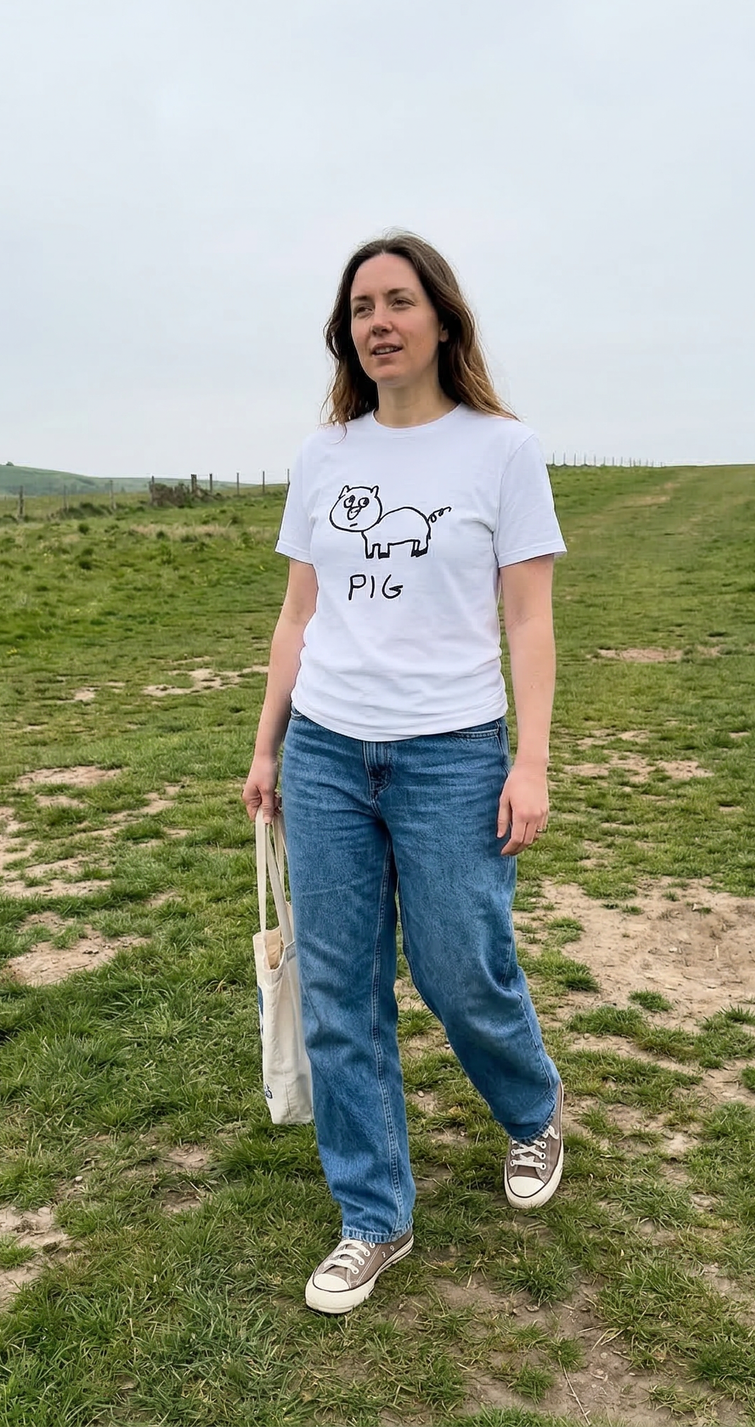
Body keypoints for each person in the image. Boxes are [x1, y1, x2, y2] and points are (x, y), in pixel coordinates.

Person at [242, 232, 566, 1315]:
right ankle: (372, 1214)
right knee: (338, 990)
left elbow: (527, 615)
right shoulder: (323, 454)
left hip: (449, 752)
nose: (377, 321)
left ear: (440, 317)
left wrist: (529, 759)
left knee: (458, 967)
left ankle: (531, 1112)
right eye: (360, 308)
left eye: (397, 300)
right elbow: (299, 611)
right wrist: (266, 743)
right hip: (328, 749)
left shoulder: (500, 450)